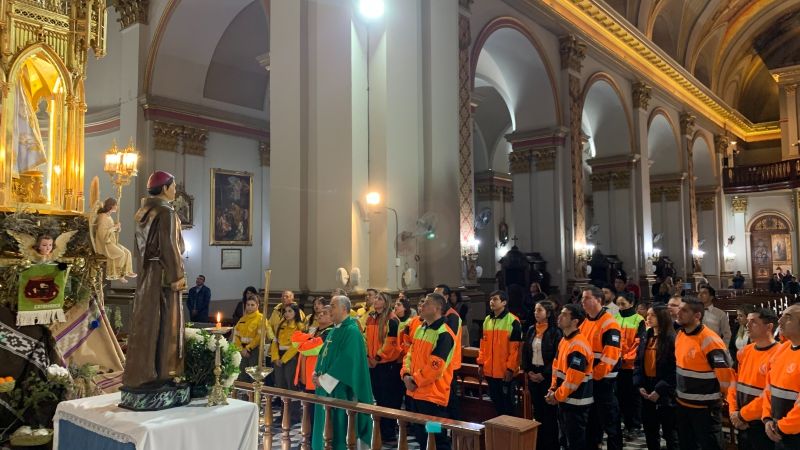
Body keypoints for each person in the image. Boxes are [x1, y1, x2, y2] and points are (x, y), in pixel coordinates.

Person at [122, 171, 187, 393]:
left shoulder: (144, 212)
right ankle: (165, 373)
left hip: (148, 273)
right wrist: (178, 276)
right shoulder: (166, 212)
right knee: (167, 324)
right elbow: (170, 245)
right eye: (174, 186)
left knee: (148, 324)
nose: (175, 190)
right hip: (164, 276)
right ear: (165, 188)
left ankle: (143, 373)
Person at [311, 295, 373, 450]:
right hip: (325, 389)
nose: (329, 309)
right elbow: (324, 355)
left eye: (333, 306)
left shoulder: (352, 331)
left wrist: (324, 380)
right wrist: (316, 373)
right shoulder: (335, 330)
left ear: (344, 309)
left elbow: (347, 361)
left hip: (340, 391)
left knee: (339, 430)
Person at [674, 297, 735, 450]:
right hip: (683, 403)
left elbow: (725, 373)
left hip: (705, 407)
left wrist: (721, 398)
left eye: (684, 310)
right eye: (678, 309)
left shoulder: (710, 339)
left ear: (697, 316)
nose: (678, 313)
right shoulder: (680, 334)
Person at [402, 292, 456, 450]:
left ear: (437, 308)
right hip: (415, 393)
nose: (422, 306)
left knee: (436, 438)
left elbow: (435, 367)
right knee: (420, 435)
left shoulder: (444, 334)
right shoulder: (421, 328)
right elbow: (409, 355)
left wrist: (414, 380)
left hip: (432, 397)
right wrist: (405, 374)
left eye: (426, 303)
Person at [727, 307, 780, 450]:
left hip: (764, 422)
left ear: (769, 327)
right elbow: (733, 383)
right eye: (748, 321)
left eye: (753, 322)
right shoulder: (744, 352)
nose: (747, 325)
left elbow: (771, 393)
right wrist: (733, 411)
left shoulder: (780, 353)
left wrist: (743, 415)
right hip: (741, 420)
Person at [545, 303, 593, 450]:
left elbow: (573, 380)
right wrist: (553, 389)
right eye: (560, 313)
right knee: (564, 441)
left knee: (575, 443)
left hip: (576, 402)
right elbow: (556, 367)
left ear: (575, 321)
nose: (559, 316)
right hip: (564, 399)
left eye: (565, 315)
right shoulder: (564, 340)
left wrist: (556, 396)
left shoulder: (578, 345)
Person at [580, 286, 623, 450]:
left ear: (598, 300)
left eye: (586, 298)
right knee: (592, 422)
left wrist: (593, 376)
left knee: (610, 423)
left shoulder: (609, 323)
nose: (582, 301)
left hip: (604, 381)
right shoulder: (586, 321)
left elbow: (610, 357)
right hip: (589, 380)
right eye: (582, 298)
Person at [521, 299, 562, 449]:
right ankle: (538, 444)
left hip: (548, 376)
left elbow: (557, 356)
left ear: (548, 313)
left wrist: (544, 374)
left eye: (539, 310)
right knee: (537, 411)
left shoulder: (555, 332)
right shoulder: (531, 329)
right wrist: (528, 371)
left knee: (549, 413)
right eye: (535, 310)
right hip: (533, 374)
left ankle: (551, 445)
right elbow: (525, 352)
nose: (535, 313)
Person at [477, 290, 522, 416]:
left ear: (504, 302)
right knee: (496, 403)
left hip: (504, 371)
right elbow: (483, 345)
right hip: (490, 370)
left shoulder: (512, 321)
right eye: (491, 299)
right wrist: (481, 363)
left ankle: (510, 428)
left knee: (508, 405)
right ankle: (499, 427)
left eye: (495, 299)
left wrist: (510, 368)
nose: (492, 301)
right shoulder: (487, 320)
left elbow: (515, 349)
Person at [365, 292, 404, 442]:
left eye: (379, 298)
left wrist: (377, 358)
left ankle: (389, 433)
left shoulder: (392, 320)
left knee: (389, 400)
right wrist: (367, 356)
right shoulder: (371, 318)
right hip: (373, 364)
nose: (376, 300)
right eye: (375, 298)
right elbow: (366, 339)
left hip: (387, 365)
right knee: (379, 399)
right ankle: (381, 431)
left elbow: (391, 344)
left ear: (386, 302)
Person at [762, 304, 800, 449]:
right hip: (777, 431)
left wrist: (781, 427)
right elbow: (769, 387)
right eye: (782, 315)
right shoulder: (782, 348)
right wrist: (767, 418)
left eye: (788, 317)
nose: (780, 320)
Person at [614, 294, 646, 438]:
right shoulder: (615, 318)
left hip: (631, 365)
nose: (620, 307)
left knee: (633, 397)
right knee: (621, 396)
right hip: (617, 365)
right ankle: (626, 424)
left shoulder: (639, 319)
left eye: (623, 304)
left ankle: (635, 425)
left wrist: (625, 358)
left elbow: (638, 343)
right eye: (618, 304)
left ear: (631, 303)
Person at [434, 284, 464, 420]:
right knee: (438, 403)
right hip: (436, 365)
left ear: (446, 297)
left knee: (450, 400)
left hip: (449, 364)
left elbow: (448, 341)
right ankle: (437, 431)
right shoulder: (436, 315)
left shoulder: (452, 316)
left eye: (438, 294)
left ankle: (455, 429)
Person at [292, 298, 333, 393]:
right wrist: (308, 341)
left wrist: (304, 342)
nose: (320, 314)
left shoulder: (330, 333)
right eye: (320, 313)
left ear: (332, 317)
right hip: (304, 379)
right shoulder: (314, 331)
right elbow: (294, 339)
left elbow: (307, 349)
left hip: (316, 380)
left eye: (325, 313)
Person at [94, 197, 136, 281]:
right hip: (105, 244)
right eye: (116, 205)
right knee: (121, 254)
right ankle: (118, 274)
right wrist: (114, 228)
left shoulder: (108, 216)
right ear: (111, 206)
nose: (117, 207)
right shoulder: (103, 217)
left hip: (111, 241)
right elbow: (102, 234)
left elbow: (112, 230)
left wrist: (117, 228)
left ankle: (127, 271)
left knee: (127, 252)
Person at [271, 303, 305, 391]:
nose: (287, 314)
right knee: (279, 382)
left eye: (290, 311)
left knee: (290, 382)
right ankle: (281, 400)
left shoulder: (300, 327)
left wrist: (283, 360)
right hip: (278, 356)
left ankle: (291, 400)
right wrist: (275, 357)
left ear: (296, 312)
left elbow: (295, 347)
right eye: (285, 311)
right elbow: (275, 341)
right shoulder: (281, 324)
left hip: (291, 357)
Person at [233, 295, 263, 380]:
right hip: (242, 350)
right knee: (241, 374)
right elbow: (236, 334)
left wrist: (248, 348)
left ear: (257, 305)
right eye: (248, 305)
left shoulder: (261, 318)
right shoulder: (243, 319)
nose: (249, 307)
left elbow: (259, 337)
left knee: (253, 375)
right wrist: (240, 348)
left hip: (254, 350)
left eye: (252, 305)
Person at [730, 305, 755, 370]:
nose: (737, 318)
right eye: (737, 315)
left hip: (751, 363)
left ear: (748, 317)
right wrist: (736, 360)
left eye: (740, 316)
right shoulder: (736, 328)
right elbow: (731, 347)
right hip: (738, 363)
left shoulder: (755, 330)